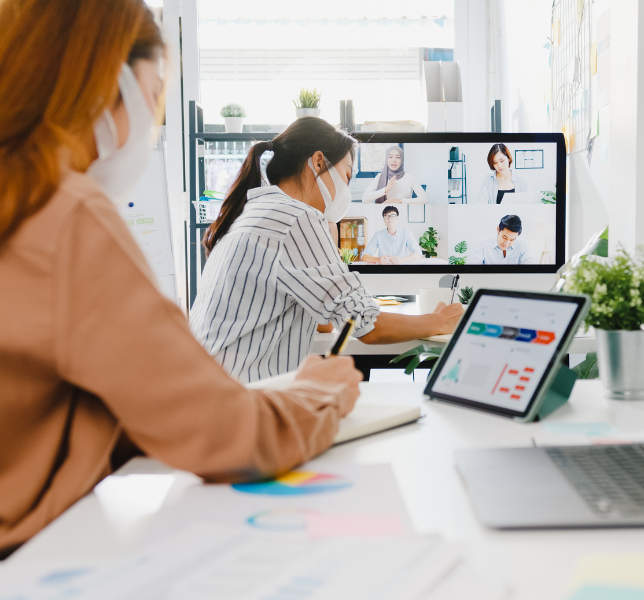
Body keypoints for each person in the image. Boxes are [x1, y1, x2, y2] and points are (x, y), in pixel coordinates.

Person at [0, 0, 367, 558]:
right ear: (105, 84)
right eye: (154, 96)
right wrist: (322, 392)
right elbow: (224, 433)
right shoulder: (64, 214)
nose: (153, 122)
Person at [191, 119, 463, 383]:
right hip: (244, 399)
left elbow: (325, 320)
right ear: (319, 162)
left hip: (214, 391)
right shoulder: (296, 218)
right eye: (347, 176)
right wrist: (439, 321)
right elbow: (366, 324)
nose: (346, 189)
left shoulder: (255, 212)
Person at [361, 145, 428, 204]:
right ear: (386, 160)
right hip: (384, 213)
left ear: (402, 160)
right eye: (390, 157)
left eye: (398, 157)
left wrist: (399, 201)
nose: (393, 160)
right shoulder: (380, 177)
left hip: (405, 212)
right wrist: (385, 190)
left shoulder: (410, 177)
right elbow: (364, 198)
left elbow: (424, 199)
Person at [470, 215, 540, 265]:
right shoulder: (483, 243)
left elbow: (530, 264)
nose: (506, 243)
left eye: (512, 240)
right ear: (498, 230)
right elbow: (474, 265)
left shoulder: (523, 245)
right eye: (504, 237)